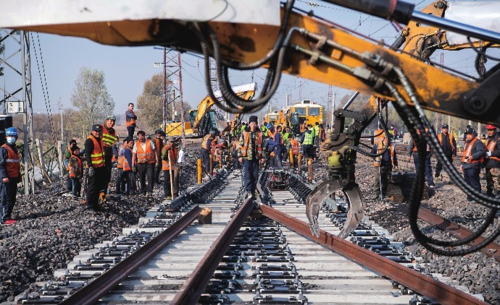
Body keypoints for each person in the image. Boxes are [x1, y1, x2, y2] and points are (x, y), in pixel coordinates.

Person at [84, 124, 108, 211]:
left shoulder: (100, 140)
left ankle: (95, 204)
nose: (97, 133)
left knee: (98, 187)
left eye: (99, 131)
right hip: (93, 168)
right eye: (96, 131)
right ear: (92, 131)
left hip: (100, 167)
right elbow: (87, 155)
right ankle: (90, 206)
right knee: (92, 187)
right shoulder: (90, 141)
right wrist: (90, 166)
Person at [0, 127, 21, 225]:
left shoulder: (14, 150)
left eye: (13, 136)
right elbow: (1, 165)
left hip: (13, 177)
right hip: (6, 178)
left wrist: (18, 176)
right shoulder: (4, 149)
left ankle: (7, 215)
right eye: (9, 136)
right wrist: (4, 176)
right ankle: (4, 218)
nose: (11, 137)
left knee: (12, 198)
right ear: (6, 136)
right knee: (6, 198)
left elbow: (15, 164)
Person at [238, 115, 262, 199]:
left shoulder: (259, 133)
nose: (253, 125)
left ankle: (253, 190)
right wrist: (240, 156)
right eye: (252, 123)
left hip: (256, 157)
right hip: (246, 157)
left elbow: (262, 146)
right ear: (249, 124)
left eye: (255, 123)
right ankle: (248, 190)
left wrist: (262, 157)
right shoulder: (245, 133)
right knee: (247, 174)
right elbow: (240, 145)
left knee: (255, 175)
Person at [460, 128, 485, 200]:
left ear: (473, 134)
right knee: (468, 182)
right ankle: (470, 197)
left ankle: (477, 197)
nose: (468, 136)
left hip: (473, 165)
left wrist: (473, 156)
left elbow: (481, 151)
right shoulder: (468, 143)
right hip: (466, 165)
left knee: (474, 182)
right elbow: (465, 154)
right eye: (467, 134)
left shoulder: (477, 142)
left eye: (470, 134)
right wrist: (462, 163)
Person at [133, 130, 156, 196]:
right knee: (141, 177)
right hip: (140, 163)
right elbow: (134, 154)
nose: (141, 137)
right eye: (139, 136)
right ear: (137, 136)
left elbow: (155, 151)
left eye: (142, 136)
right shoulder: (136, 144)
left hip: (150, 162)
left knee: (150, 176)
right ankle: (143, 190)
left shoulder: (149, 142)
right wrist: (133, 165)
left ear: (144, 136)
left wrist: (156, 160)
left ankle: (150, 190)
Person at [101, 115, 118, 194]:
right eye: (111, 121)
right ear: (106, 120)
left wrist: (115, 154)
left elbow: (113, 144)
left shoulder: (113, 132)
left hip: (108, 153)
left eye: (113, 121)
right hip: (100, 152)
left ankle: (104, 192)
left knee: (107, 174)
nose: (112, 123)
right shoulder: (100, 128)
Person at [484, 125, 500, 196]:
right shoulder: (488, 139)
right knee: (489, 180)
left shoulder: (498, 139)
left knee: (496, 181)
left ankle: (498, 195)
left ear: (495, 130)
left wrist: (491, 153)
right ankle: (489, 194)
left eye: (491, 130)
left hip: (495, 164)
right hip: (488, 163)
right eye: (488, 130)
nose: (489, 132)